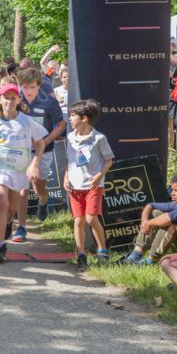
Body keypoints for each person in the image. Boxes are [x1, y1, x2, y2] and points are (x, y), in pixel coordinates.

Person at [0, 81, 46, 263]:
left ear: (19, 100)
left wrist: (34, 163)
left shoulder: (26, 121)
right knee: (2, 202)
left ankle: (7, 223)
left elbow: (41, 142)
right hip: (0, 168)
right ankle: (0, 245)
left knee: (12, 207)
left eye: (13, 98)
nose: (9, 102)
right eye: (5, 98)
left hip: (19, 170)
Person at [63, 98, 113, 271]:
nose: (70, 119)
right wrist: (66, 176)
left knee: (91, 218)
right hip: (75, 186)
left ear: (84, 118)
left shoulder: (99, 138)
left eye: (73, 116)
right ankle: (81, 254)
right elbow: (69, 159)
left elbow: (109, 161)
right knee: (78, 221)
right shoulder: (70, 137)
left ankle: (102, 250)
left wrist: (99, 176)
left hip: (93, 186)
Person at [19, 68, 66, 226]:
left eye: (32, 87)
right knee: (22, 188)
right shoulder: (15, 100)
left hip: (43, 150)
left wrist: (46, 140)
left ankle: (43, 199)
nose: (29, 91)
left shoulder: (49, 102)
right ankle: (21, 226)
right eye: (25, 87)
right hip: (21, 151)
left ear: (39, 85)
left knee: (38, 186)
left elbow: (61, 124)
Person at [122, 174, 177, 265]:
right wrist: (144, 222)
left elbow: (168, 219)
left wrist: (149, 223)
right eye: (172, 189)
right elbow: (150, 205)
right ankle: (135, 256)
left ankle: (149, 262)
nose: (172, 193)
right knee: (156, 212)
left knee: (170, 225)